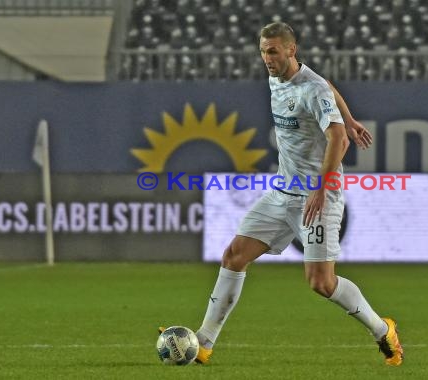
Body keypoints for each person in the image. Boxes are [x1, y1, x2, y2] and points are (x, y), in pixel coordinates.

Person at [162, 21, 404, 366]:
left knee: (321, 283)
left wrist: (321, 186)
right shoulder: (279, 77)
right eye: (263, 51)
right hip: (282, 191)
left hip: (319, 195)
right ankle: (204, 342)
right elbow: (330, 87)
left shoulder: (312, 89)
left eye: (273, 51)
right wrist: (348, 116)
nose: (266, 58)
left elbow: (339, 139)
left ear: (292, 49)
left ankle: (383, 330)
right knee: (234, 255)